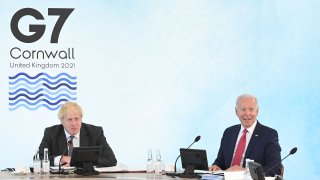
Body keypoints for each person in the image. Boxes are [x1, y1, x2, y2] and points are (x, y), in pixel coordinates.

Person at [209, 94, 281, 177]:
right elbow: (220, 161)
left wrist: (246, 171)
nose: (247, 114)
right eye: (243, 109)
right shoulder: (229, 132)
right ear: (236, 112)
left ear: (257, 111)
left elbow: (275, 168)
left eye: (251, 109)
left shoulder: (269, 135)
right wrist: (216, 166)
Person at [38, 101, 117, 167]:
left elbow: (111, 159)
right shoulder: (51, 133)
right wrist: (61, 159)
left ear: (81, 118)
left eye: (77, 119)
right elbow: (39, 158)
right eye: (69, 119)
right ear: (62, 121)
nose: (74, 123)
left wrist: (83, 161)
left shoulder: (95, 132)